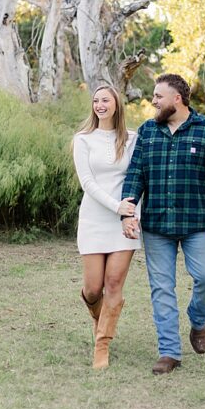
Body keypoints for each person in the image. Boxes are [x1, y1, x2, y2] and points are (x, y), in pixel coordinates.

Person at [120, 73, 205, 376]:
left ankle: (198, 321)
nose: (153, 101)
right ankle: (169, 352)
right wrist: (128, 211)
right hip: (157, 225)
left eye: (158, 96)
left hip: (198, 222)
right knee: (162, 288)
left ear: (177, 99)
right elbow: (136, 174)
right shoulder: (148, 131)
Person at [71, 84, 139, 369]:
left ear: (116, 104)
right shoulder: (83, 139)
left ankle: (102, 345)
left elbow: (138, 178)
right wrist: (116, 207)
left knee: (113, 284)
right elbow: (87, 183)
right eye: (96, 100)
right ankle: (102, 321)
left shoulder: (132, 139)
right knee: (92, 289)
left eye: (106, 100)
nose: (100, 105)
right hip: (94, 220)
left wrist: (130, 214)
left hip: (125, 224)